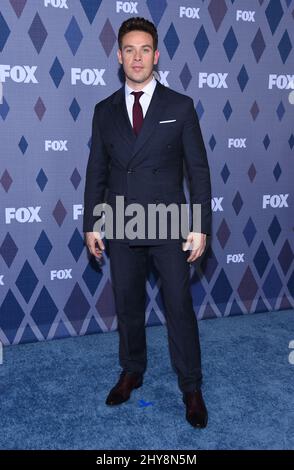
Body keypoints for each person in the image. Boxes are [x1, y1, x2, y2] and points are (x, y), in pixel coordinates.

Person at [83, 17, 212, 428]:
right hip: (121, 221)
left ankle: (191, 387)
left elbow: (199, 171)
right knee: (128, 305)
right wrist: (92, 223)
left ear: (156, 56)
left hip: (170, 222)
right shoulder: (104, 111)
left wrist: (201, 225)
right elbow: (96, 172)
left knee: (178, 306)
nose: (136, 58)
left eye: (144, 50)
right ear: (119, 56)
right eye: (128, 50)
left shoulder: (180, 105)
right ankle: (132, 370)